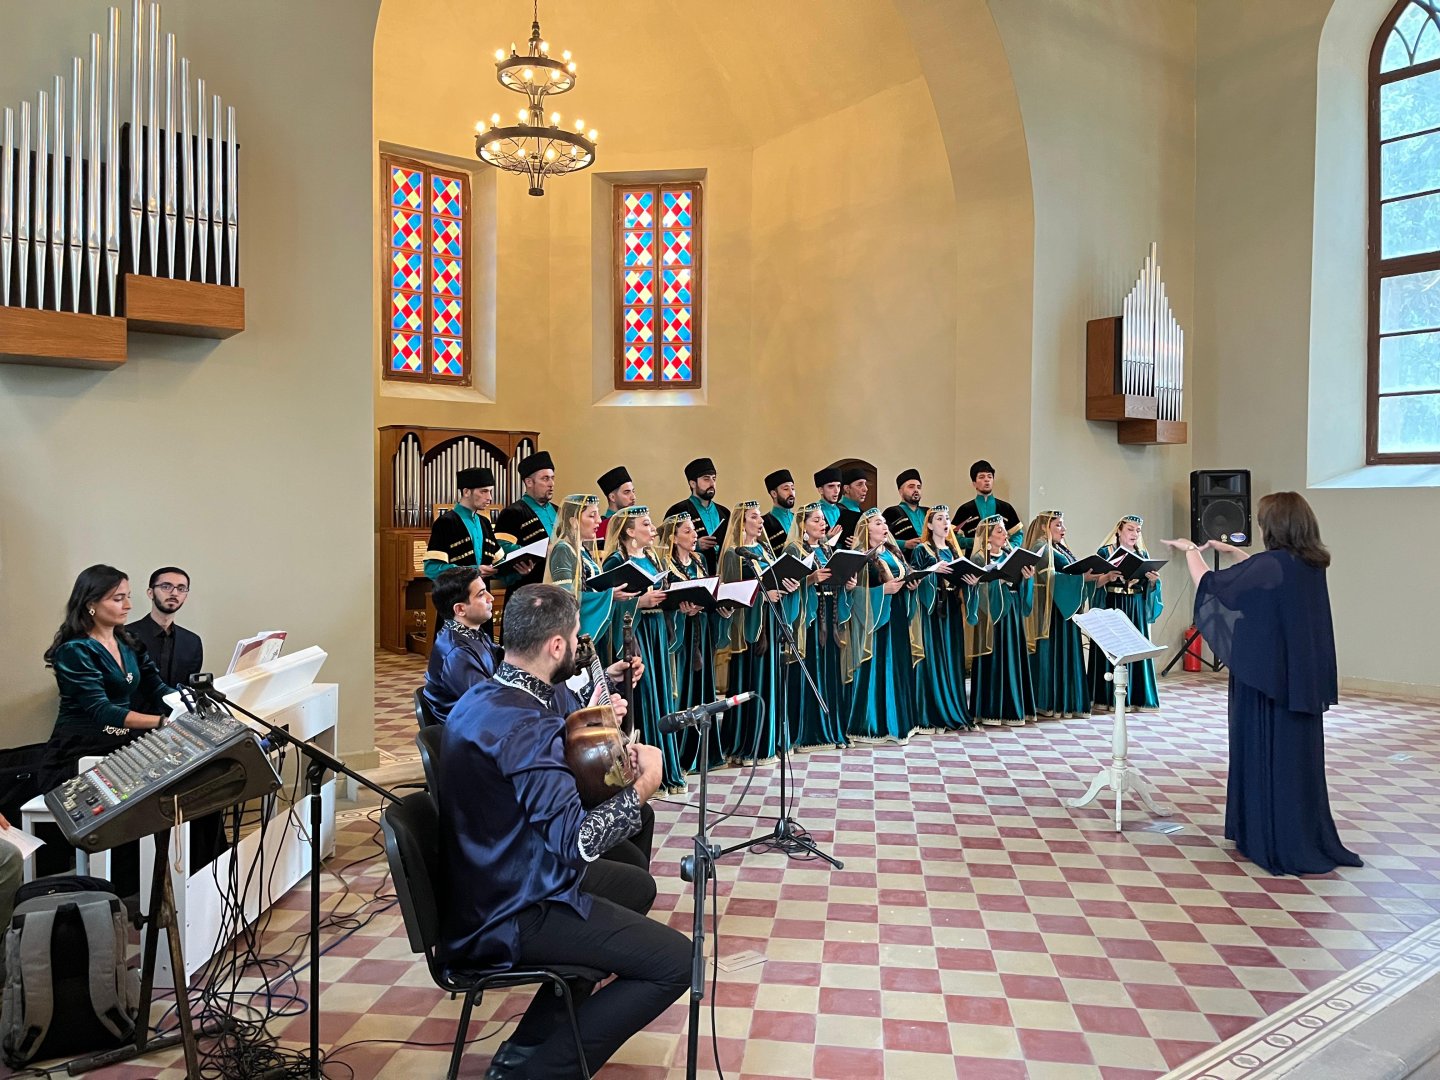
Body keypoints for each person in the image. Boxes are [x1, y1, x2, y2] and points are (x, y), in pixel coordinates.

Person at [438, 585, 688, 1080]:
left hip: (491, 876)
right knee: (678, 961)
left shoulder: (488, 695)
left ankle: (530, 1042)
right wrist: (644, 785)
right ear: (556, 646)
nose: (578, 646)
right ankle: (542, 1073)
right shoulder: (526, 726)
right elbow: (576, 843)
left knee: (636, 886)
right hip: (510, 908)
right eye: (575, 638)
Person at [1160, 493, 1362, 877]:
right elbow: (1264, 579)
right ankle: (1298, 832)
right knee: (1296, 760)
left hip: (1266, 680)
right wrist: (1237, 554)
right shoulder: (1309, 562)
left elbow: (1210, 584)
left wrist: (1190, 551)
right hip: (1297, 679)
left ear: (1276, 526)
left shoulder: (1273, 564)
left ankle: (1269, 836)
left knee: (1266, 751)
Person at [600, 507, 684, 792]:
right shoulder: (616, 561)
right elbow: (610, 605)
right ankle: (643, 769)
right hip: (635, 633)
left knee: (660, 691)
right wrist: (639, 603)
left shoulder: (652, 558)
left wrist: (679, 603)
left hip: (656, 630)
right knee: (644, 693)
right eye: (646, 524)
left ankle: (664, 767)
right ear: (629, 531)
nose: (653, 529)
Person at [716, 501, 800, 764]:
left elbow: (773, 578)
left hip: (770, 622)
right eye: (754, 517)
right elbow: (732, 596)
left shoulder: (763, 549)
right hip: (749, 630)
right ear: (742, 523)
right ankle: (749, 741)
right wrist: (764, 596)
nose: (761, 520)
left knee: (771, 681)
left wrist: (787, 585)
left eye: (760, 516)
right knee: (751, 680)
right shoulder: (733, 554)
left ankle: (771, 737)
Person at [1023, 511, 1117, 719]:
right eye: (1058, 525)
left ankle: (1066, 701)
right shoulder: (1041, 547)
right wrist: (1081, 578)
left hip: (1063, 609)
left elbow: (1071, 575)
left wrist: (1094, 578)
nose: (1063, 529)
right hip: (1051, 613)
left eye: (1063, 524)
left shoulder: (1058, 547)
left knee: (1065, 655)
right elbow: (1050, 578)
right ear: (1044, 527)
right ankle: (1050, 702)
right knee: (1052, 656)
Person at [843, 508, 924, 744]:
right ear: (866, 529)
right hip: (874, 619)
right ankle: (873, 723)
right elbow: (853, 593)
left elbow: (904, 575)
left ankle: (899, 721)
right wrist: (882, 591)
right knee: (878, 666)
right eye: (878, 523)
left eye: (885, 522)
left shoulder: (893, 552)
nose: (884, 526)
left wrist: (911, 584)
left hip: (897, 614)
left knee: (896, 665)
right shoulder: (859, 556)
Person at [783, 503, 852, 751]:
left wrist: (847, 582)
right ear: (803, 525)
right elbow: (788, 586)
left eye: (823, 520)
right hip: (809, 620)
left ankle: (831, 729)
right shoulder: (794, 549)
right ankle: (807, 731)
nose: (822, 524)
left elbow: (834, 578)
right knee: (809, 670)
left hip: (829, 617)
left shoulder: (826, 549)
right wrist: (811, 579)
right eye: (816, 520)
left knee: (829, 671)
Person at [657, 511, 722, 772]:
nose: (695, 535)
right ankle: (681, 752)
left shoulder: (700, 560)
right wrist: (680, 610)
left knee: (702, 686)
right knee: (681, 687)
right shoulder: (665, 565)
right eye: (687, 531)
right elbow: (664, 602)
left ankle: (705, 750)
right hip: (680, 636)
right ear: (673, 538)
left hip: (700, 630)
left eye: (694, 530)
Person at [1086, 514, 1163, 712]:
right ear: (1119, 531)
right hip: (1113, 604)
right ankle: (1105, 698)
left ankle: (1137, 697)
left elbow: (1150, 588)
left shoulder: (1142, 554)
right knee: (1111, 649)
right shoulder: (1105, 552)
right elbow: (1092, 584)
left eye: (1138, 530)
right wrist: (1107, 577)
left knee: (1135, 648)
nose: (1135, 533)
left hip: (1135, 607)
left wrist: (1153, 581)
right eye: (1130, 529)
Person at [966, 516, 1038, 727]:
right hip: (992, 615)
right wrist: (998, 582)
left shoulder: (1010, 555)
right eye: (999, 531)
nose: (1005, 534)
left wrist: (1027, 578)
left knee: (1012, 657)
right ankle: (991, 709)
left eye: (1004, 530)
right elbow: (977, 588)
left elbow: (1021, 584)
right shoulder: (980, 558)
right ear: (987, 536)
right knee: (995, 659)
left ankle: (1013, 708)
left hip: (1012, 610)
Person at [908, 505, 973, 731]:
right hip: (933, 611)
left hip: (952, 609)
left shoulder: (954, 551)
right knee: (934, 657)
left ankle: (955, 709)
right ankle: (933, 712)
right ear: (929, 525)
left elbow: (961, 580)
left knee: (952, 657)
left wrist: (971, 582)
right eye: (939, 519)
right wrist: (933, 571)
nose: (945, 523)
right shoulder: (922, 550)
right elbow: (914, 580)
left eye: (947, 518)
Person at [423, 567, 501, 725]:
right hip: (471, 732)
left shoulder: (471, 632)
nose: (491, 598)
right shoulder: (457, 652)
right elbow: (485, 704)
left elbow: (503, 659)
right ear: (460, 609)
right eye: (481, 594)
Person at [544, 493, 621, 642]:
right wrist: (609, 596)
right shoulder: (563, 549)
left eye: (598, 515)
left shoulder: (582, 549)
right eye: (592, 516)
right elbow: (565, 596)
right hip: (576, 628)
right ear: (574, 521)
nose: (599, 521)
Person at [127, 566, 203, 688]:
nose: (174, 593)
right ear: (150, 593)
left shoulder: (192, 642)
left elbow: (190, 688)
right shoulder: (125, 636)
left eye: (181, 589)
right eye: (166, 586)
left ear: (186, 596)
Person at [424, 467, 502, 583]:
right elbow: (432, 569)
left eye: (490, 492)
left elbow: (498, 563)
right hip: (456, 593)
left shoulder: (485, 522)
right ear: (466, 492)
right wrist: (473, 570)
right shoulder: (445, 522)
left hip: (483, 592)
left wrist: (518, 570)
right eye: (484, 491)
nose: (489, 498)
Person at [495, 451, 556, 590]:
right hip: (528, 587)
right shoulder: (512, 512)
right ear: (529, 482)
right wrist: (536, 552)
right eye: (545, 479)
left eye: (553, 478)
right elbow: (502, 547)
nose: (551, 484)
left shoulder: (558, 511)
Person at [662, 457, 730, 574]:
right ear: (693, 483)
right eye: (706, 479)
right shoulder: (677, 511)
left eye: (714, 479)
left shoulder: (725, 512)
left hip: (724, 573)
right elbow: (666, 546)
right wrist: (695, 545)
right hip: (691, 573)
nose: (712, 483)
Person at [954, 460, 1023, 552]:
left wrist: (1008, 548)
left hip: (1001, 559)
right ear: (974, 483)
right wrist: (974, 542)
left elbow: (1018, 535)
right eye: (981, 477)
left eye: (990, 476)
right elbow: (953, 537)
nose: (987, 480)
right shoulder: (965, 510)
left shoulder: (1006, 508)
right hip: (973, 559)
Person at [883, 469, 928, 552]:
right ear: (900, 491)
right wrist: (904, 544)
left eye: (918, 487)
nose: (916, 490)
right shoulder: (892, 512)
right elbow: (881, 539)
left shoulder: (928, 512)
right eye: (911, 487)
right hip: (905, 557)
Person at [594, 465, 636, 543]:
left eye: (633, 491)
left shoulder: (635, 522)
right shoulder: (602, 527)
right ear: (612, 497)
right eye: (626, 492)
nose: (633, 497)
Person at [762, 469, 796, 555]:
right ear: (774, 494)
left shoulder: (799, 518)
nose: (791, 493)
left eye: (793, 488)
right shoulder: (764, 523)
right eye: (786, 489)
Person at [836, 468, 869, 540]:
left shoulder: (863, 513)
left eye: (865, 484)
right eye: (860, 484)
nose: (865, 489)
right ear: (847, 488)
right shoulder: (837, 511)